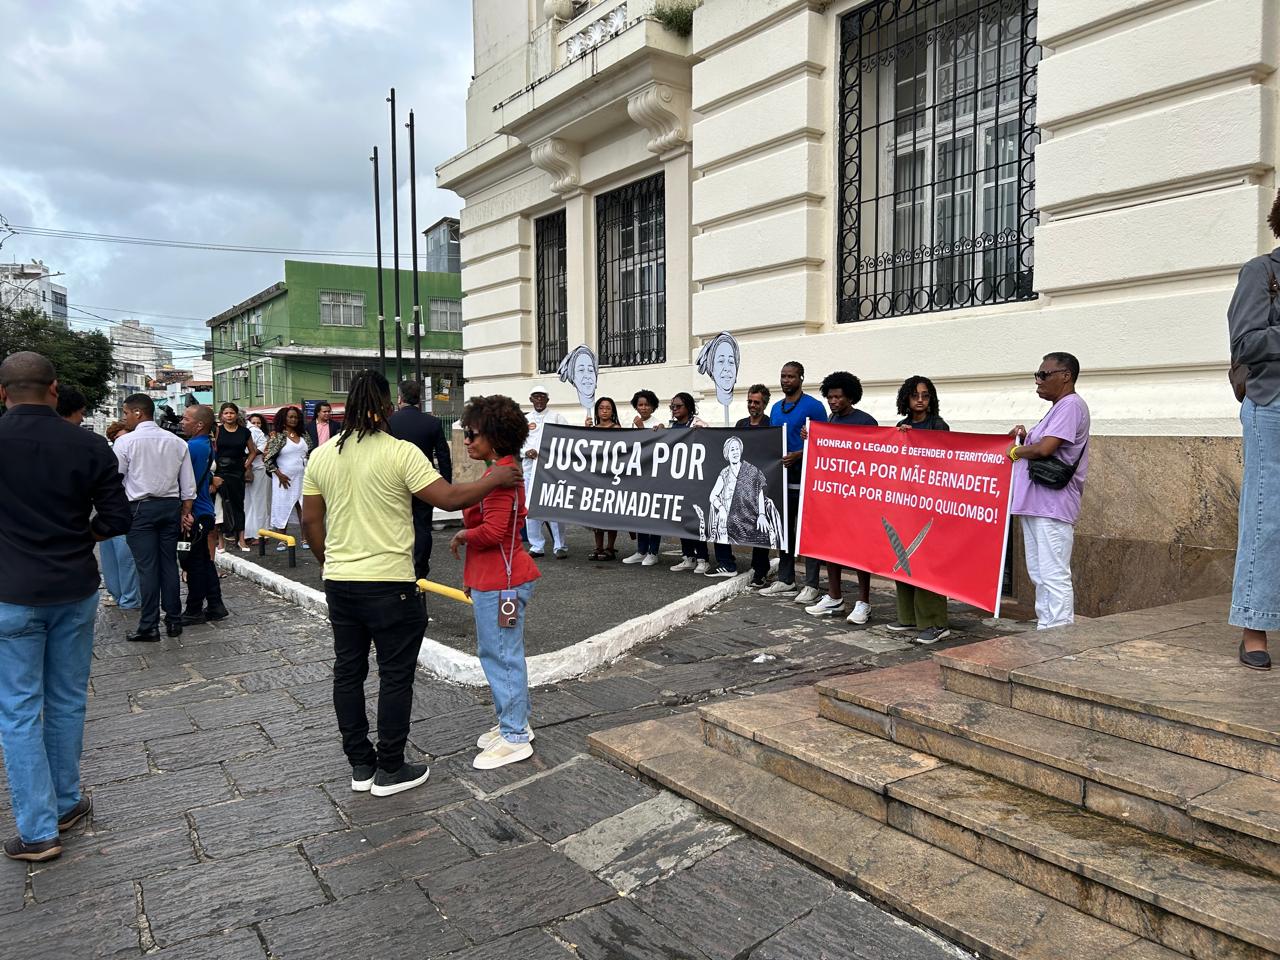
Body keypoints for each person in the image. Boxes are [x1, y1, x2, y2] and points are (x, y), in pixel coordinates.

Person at [301, 370, 521, 796]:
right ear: (387, 407)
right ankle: (391, 767)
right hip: (390, 583)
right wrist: (492, 479)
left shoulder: (322, 455)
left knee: (348, 672)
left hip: (340, 582)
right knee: (394, 676)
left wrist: (330, 562)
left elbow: (311, 522)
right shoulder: (400, 453)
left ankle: (360, 766)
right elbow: (447, 499)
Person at [0, 351, 131, 862]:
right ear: (54, 389)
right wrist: (84, 532)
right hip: (75, 586)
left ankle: (37, 832)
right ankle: (66, 802)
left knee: (18, 710)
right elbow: (117, 517)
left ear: (3, 392)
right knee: (68, 698)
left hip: (11, 591)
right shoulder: (89, 444)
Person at [450, 395, 541, 770]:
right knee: (500, 655)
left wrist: (461, 536)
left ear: (494, 435)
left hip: (503, 582)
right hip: (496, 578)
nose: (467, 441)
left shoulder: (501, 475)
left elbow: (494, 532)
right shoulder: (499, 471)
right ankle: (514, 723)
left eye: (473, 434)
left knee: (501, 657)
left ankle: (515, 734)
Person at [1227, 203, 1280, 669]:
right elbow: (1245, 342)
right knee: (1267, 514)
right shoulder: (1262, 271)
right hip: (1274, 404)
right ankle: (1254, 626)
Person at [1007, 352, 1090, 630]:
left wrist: (1015, 451)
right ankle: (1047, 626)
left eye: (1044, 375)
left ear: (1065, 376)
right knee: (1040, 573)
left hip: (1051, 505)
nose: (1038, 381)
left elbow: (1045, 449)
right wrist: (1023, 436)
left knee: (1053, 573)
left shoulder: (1071, 406)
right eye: (1037, 375)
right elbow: (1041, 443)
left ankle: (1059, 632)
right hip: (1036, 503)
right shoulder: (1058, 407)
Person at [114, 392, 195, 641]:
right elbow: (188, 485)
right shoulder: (177, 441)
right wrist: (185, 513)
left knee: (147, 569)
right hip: (170, 507)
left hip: (140, 508)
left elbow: (115, 479)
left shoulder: (125, 443)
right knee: (169, 564)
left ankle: (149, 625)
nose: (124, 418)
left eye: (126, 412)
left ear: (138, 412)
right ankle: (173, 620)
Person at [804, 372, 876, 623]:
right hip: (831, 498)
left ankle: (863, 602)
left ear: (850, 396)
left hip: (857, 499)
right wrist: (811, 438)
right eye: (830, 397)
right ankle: (834, 598)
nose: (832, 401)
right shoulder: (830, 420)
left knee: (859, 553)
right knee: (829, 548)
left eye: (838, 397)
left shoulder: (865, 421)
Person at [891, 376, 952, 644]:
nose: (920, 399)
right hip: (906, 502)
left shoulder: (938, 425)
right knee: (903, 558)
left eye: (925, 395)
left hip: (930, 503)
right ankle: (909, 617)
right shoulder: (900, 426)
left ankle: (936, 623)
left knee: (927, 563)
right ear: (906, 398)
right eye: (915, 395)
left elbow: (944, 458)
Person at [760, 362, 827, 600]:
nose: (786, 380)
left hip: (806, 478)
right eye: (783, 376)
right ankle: (786, 579)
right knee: (784, 530)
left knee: (807, 532)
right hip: (781, 480)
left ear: (801, 378)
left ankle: (811, 584)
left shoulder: (815, 406)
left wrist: (799, 454)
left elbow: (824, 440)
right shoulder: (777, 408)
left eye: (791, 376)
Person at [389, 379, 454, 579]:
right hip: (425, 482)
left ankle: (398, 565)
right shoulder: (432, 422)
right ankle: (420, 569)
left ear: (399, 398)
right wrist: (446, 485)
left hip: (394, 481)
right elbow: (443, 455)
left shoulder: (389, 422)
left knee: (396, 523)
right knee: (422, 526)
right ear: (420, 398)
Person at [179, 405, 229, 626]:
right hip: (204, 511)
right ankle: (216, 604)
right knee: (203, 561)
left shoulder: (191, 447)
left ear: (199, 424)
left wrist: (185, 512)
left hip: (195, 514)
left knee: (192, 563)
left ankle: (194, 609)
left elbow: (186, 482)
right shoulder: (206, 444)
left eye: (186, 418)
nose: (182, 421)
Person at [667, 393, 723, 574]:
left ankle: (702, 558)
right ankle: (687, 557)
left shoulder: (698, 425)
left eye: (678, 406)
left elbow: (711, 445)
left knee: (697, 521)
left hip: (696, 483)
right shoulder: (672, 427)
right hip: (678, 482)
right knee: (682, 520)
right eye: (672, 406)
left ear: (688, 407)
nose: (675, 410)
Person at [521, 385, 568, 559]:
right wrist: (525, 452)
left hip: (551, 471)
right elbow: (518, 444)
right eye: (536, 397)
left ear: (547, 400)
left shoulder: (557, 417)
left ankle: (560, 545)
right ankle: (536, 545)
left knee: (554, 507)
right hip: (530, 471)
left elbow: (568, 440)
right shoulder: (525, 420)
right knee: (531, 509)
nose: (539, 400)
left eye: (542, 397)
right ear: (531, 400)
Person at [736, 384, 775, 587]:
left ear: (765, 404)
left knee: (761, 528)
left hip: (763, 483)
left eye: (756, 402)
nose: (752, 405)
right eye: (750, 401)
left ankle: (760, 571)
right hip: (742, 484)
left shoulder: (772, 423)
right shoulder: (741, 424)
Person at [99, 422, 140, 610]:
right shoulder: (108, 455)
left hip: (125, 508)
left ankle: (130, 598)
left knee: (126, 558)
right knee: (109, 558)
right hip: (106, 509)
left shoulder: (134, 455)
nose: (120, 442)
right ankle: (116, 593)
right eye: (116, 439)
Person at [622, 389, 666, 566]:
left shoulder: (659, 424)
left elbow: (653, 448)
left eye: (647, 404)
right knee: (639, 513)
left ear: (653, 407)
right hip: (637, 475)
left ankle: (653, 552)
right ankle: (641, 550)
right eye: (640, 404)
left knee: (653, 514)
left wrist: (641, 429)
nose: (643, 407)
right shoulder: (631, 423)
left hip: (653, 476)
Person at [264, 405, 313, 550]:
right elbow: (267, 459)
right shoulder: (278, 436)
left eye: (296, 417)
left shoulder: (304, 435)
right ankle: (282, 539)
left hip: (303, 476)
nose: (293, 419)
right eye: (290, 417)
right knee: (282, 507)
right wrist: (279, 475)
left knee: (304, 507)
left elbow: (310, 453)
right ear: (284, 419)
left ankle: (305, 539)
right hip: (283, 479)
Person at [214, 402, 257, 553]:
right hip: (220, 471)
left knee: (238, 504)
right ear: (221, 415)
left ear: (236, 414)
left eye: (232, 413)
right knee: (220, 506)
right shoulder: (217, 431)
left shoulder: (244, 432)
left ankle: (241, 540)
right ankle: (220, 542)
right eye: (226, 413)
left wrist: (246, 466)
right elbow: (212, 449)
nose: (229, 416)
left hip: (237, 471)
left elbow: (253, 451)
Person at [585, 396, 622, 561]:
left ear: (612, 411)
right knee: (596, 514)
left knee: (611, 514)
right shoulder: (593, 428)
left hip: (612, 476)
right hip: (596, 476)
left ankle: (610, 547)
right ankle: (598, 546)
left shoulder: (617, 428)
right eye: (601, 408)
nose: (604, 411)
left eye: (608, 408)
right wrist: (585, 429)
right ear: (597, 411)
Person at [696, 331, 741, 421]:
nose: (727, 368)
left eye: (731, 362)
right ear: (711, 367)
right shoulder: (706, 416)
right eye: (721, 361)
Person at [243, 412, 271, 545]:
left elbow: (262, 446)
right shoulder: (240, 430)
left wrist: (249, 456)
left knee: (259, 502)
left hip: (258, 468)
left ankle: (262, 534)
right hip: (243, 469)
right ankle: (248, 532)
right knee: (247, 503)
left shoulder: (254, 431)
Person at [557, 344, 598, 413]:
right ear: (572, 377)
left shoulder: (602, 409)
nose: (587, 376)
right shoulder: (569, 412)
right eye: (581, 370)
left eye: (591, 370)